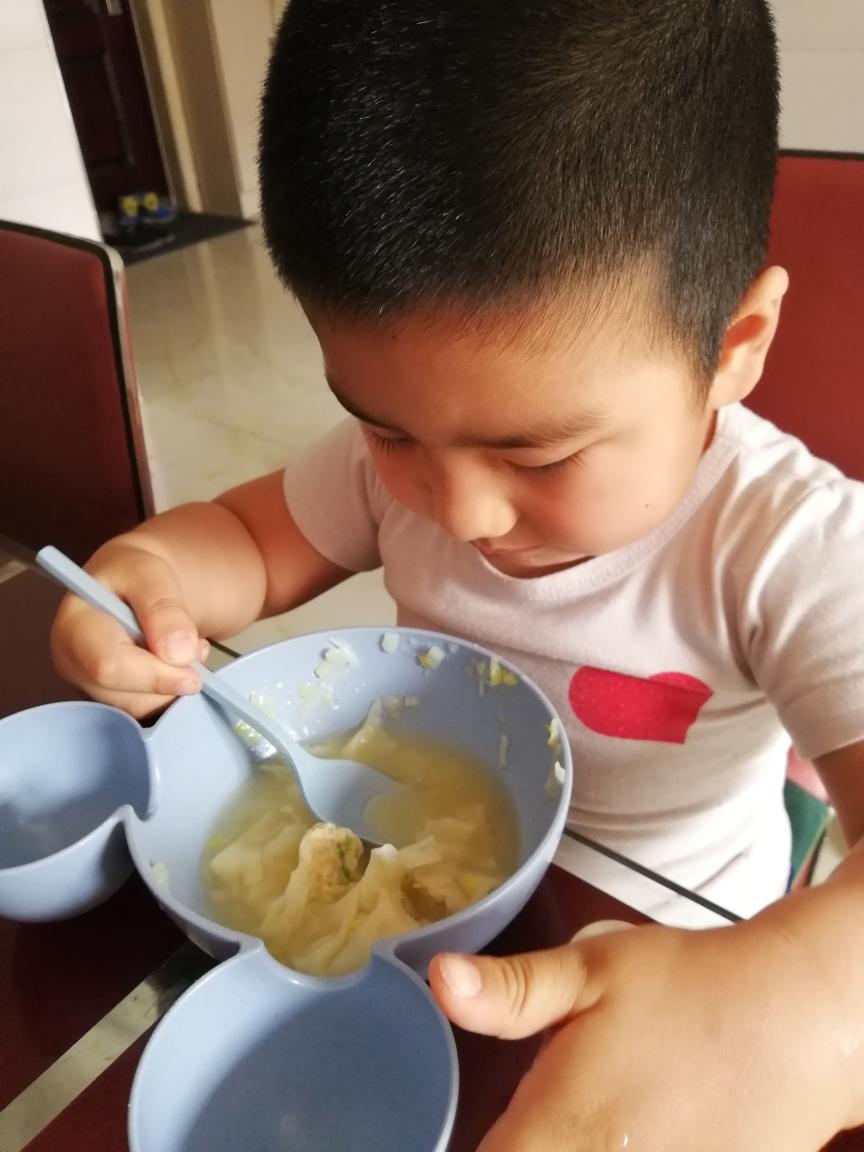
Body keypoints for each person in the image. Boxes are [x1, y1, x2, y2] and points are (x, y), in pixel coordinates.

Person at [52, 1, 864, 1147]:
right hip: (414, 944)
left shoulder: (787, 544)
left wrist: (823, 1012)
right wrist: (147, 578)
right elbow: (243, 539)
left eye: (539, 452)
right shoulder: (415, 465)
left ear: (732, 349)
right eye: (384, 430)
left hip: (672, 969)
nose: (459, 509)